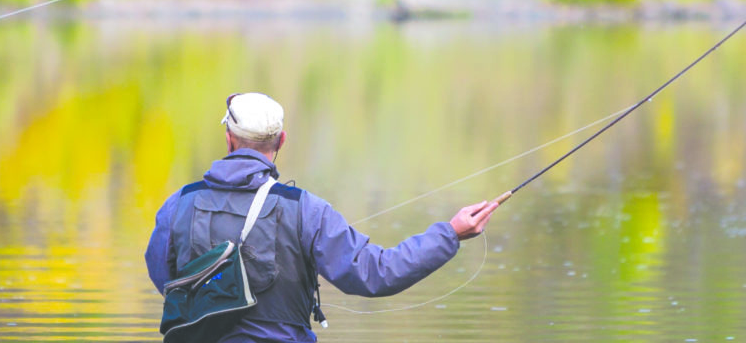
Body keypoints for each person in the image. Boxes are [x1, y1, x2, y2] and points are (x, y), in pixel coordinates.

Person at [144, 92, 502, 342]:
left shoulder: (179, 204)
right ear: (281, 141)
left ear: (228, 139)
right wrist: (450, 233)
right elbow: (376, 273)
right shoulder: (306, 209)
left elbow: (166, 281)